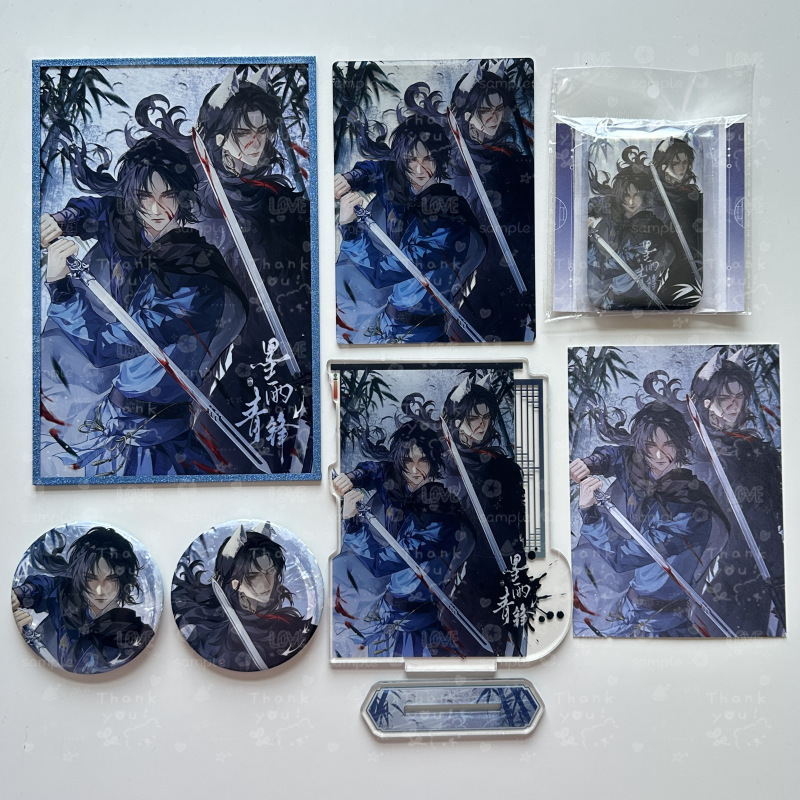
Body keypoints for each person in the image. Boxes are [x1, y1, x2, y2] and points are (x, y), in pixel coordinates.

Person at [40, 135, 247, 477]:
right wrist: (64, 219)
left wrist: (61, 290)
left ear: (183, 195)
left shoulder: (195, 283)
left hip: (155, 431)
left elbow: (107, 346)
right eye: (144, 197)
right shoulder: (131, 224)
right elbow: (100, 210)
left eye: (168, 195)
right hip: (114, 420)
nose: (155, 210)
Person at [570, 402, 726, 637]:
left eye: (669, 444)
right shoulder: (640, 465)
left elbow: (622, 557)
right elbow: (616, 455)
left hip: (659, 620)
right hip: (628, 611)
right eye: (650, 445)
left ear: (680, 444)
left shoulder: (689, 509)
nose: (659, 456)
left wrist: (590, 514)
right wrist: (590, 464)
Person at [332, 416, 476, 656]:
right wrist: (351, 478)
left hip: (407, 587)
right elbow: (372, 470)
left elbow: (382, 563)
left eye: (423, 460)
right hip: (386, 578)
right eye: (408, 460)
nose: (415, 470)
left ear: (432, 460)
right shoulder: (393, 476)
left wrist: (352, 523)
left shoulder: (438, 515)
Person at [335, 115, 485, 343]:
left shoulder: (445, 221)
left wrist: (351, 230)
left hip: (412, 326)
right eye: (411, 159)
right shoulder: (398, 177)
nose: (419, 169)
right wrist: (350, 179)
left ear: (439, 159)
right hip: (387, 313)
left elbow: (382, 273)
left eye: (428, 159)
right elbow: (376, 169)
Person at [690, 353, 785, 635]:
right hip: (721, 563)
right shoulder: (697, 451)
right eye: (725, 398)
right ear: (707, 402)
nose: (734, 405)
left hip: (766, 559)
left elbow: (779, 505)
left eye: (739, 397)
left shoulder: (759, 449)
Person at [448, 60, 535, 340]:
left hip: (520, 273)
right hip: (482, 278)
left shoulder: (512, 156)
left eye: (498, 109)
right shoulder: (459, 163)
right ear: (466, 114)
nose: (493, 117)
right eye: (485, 110)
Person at [441, 377, 527, 655]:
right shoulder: (442, 467)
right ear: (457, 420)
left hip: (500, 570)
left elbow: (518, 523)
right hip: (459, 574)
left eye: (486, 417)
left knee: (500, 649)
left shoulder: (505, 468)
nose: (481, 424)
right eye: (473, 417)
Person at [171, 525, 316, 671]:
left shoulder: (285, 623)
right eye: (254, 576)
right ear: (235, 583)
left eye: (270, 571)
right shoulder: (216, 636)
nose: (266, 583)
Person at [12, 527, 154, 673]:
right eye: (91, 578)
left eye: (111, 579)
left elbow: (87, 669)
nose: (100, 590)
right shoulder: (67, 596)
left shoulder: (132, 633)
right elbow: (44, 587)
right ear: (79, 577)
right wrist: (18, 595)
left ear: (123, 581)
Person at [587, 147, 684, 310]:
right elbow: (593, 205)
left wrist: (588, 242)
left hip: (632, 299)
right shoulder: (615, 205)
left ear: (644, 195)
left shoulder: (649, 233)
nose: (631, 202)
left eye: (636, 195)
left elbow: (604, 270)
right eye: (626, 195)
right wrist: (583, 217)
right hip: (614, 291)